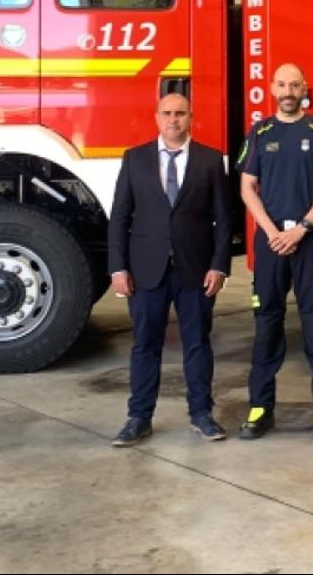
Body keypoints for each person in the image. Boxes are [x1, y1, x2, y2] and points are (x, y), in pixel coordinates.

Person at [108, 93, 232, 447]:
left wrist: (219, 266)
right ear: (156, 117)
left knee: (197, 344)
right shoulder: (135, 160)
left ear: (192, 117)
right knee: (145, 345)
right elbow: (119, 217)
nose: (173, 119)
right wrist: (118, 267)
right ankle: (139, 418)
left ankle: (202, 415)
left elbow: (223, 220)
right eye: (167, 113)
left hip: (196, 270)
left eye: (180, 114)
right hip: (146, 271)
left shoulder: (210, 161)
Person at [237, 63, 313, 439]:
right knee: (266, 324)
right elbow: (247, 187)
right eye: (282, 84)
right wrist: (271, 232)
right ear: (272, 89)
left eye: (295, 85)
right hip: (270, 243)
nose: (288, 90)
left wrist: (301, 229)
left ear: (304, 89)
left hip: (310, 241)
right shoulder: (259, 131)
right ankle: (259, 409)